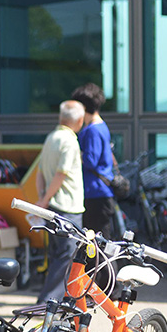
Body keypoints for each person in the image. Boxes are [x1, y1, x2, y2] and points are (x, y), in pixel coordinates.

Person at [35, 100, 87, 305]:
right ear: (80, 120)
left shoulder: (52, 137)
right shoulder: (70, 141)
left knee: (58, 257)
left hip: (53, 208)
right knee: (67, 259)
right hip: (68, 208)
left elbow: (40, 172)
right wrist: (46, 198)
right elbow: (61, 174)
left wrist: (43, 199)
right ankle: (48, 304)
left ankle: (56, 302)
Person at [71, 83, 117, 238]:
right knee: (99, 244)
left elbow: (91, 160)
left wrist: (73, 151)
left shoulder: (92, 130)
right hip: (100, 192)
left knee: (97, 246)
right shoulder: (101, 126)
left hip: (95, 194)